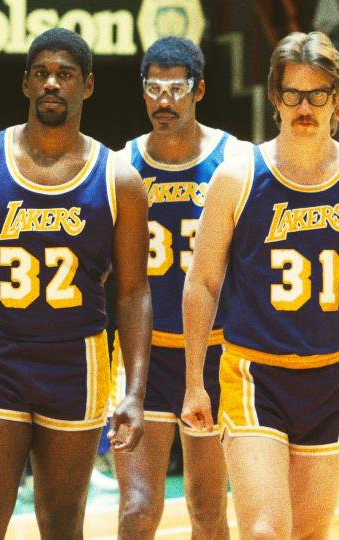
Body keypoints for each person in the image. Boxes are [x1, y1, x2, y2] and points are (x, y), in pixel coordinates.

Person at [181, 31, 339, 538]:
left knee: (309, 534)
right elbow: (203, 281)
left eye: (317, 94)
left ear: (337, 97)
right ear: (274, 96)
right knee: (265, 531)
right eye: (292, 93)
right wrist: (192, 382)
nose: (304, 106)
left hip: (329, 378)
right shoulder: (239, 174)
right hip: (252, 375)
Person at [0, 28, 152, 538]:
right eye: (41, 73)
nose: (52, 83)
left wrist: (134, 391)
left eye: (64, 74)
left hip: (78, 361)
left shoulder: (119, 179)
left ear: (87, 86)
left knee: (63, 524)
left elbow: (133, 291)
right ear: (25, 83)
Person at [110, 36, 248, 539]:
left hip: (213, 350)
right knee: (138, 509)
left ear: (199, 90)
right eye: (153, 88)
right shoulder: (120, 163)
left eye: (176, 88)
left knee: (208, 509)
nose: (163, 100)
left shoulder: (236, 160)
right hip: (142, 354)